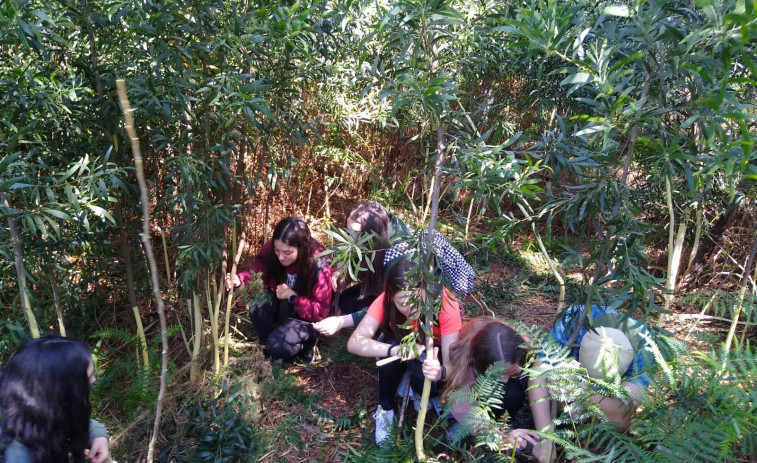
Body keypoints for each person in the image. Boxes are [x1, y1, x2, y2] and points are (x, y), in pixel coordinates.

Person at [314, 201, 474, 337]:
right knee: (347, 301)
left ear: (372, 232)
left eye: (355, 233)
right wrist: (344, 271)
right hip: (397, 288)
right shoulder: (386, 228)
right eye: (347, 232)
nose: (350, 238)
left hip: (426, 304)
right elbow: (363, 258)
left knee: (365, 311)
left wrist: (343, 321)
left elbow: (390, 303)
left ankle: (388, 335)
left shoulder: (400, 257)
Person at [346, 259, 462, 445]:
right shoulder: (385, 300)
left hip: (434, 349)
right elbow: (354, 342)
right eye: (403, 304)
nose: (411, 309)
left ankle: (420, 385)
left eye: (417, 300)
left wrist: (440, 372)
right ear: (391, 297)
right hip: (403, 343)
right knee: (388, 351)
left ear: (426, 290)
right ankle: (386, 409)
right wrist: (394, 350)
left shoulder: (446, 304)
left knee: (425, 382)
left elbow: (451, 363)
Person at [529, 305, 655, 463]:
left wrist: (583, 393)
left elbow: (624, 414)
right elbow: (538, 374)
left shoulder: (645, 347)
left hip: (597, 400)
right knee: (553, 387)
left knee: (621, 422)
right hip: (565, 391)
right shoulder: (575, 319)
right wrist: (544, 436)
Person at [228, 217, 333, 362]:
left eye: (287, 253)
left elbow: (320, 312)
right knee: (257, 307)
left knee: (278, 346)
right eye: (277, 251)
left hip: (305, 316)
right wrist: (240, 280)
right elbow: (258, 271)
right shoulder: (272, 249)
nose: (281, 257)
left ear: (302, 248)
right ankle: (273, 345)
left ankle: (306, 345)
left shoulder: (320, 264)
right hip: (280, 301)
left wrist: (293, 296)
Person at [0, 335, 110, 463]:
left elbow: (59, 420)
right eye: (88, 377)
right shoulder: (15, 455)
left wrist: (98, 436)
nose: (93, 380)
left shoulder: (20, 403)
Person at [441, 317, 540, 450]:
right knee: (510, 392)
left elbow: (537, 366)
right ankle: (463, 428)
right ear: (481, 365)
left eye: (511, 371)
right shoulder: (467, 366)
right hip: (467, 399)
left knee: (512, 392)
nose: (504, 380)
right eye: (498, 375)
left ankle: (500, 419)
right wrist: (498, 437)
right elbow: (461, 406)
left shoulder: (521, 347)